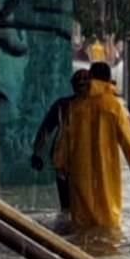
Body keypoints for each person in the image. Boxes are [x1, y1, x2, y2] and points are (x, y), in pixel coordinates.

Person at [54, 61, 130, 230]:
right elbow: (126, 138)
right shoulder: (114, 105)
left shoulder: (75, 106)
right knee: (108, 217)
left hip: (79, 170)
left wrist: (60, 164)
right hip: (106, 170)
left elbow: (65, 138)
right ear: (109, 79)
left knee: (81, 221)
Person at [30, 69, 91, 212]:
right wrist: (37, 153)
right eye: (79, 83)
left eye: (84, 83)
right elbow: (45, 130)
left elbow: (45, 130)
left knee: (74, 208)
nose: (81, 87)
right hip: (66, 163)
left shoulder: (95, 106)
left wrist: (37, 153)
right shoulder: (62, 106)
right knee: (70, 207)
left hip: (77, 164)